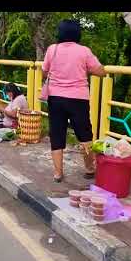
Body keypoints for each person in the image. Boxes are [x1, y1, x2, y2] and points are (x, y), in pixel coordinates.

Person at [43, 19, 106, 182]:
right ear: (78, 33)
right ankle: (89, 169)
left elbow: (45, 71)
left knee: (57, 134)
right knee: (84, 134)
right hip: (78, 99)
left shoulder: (52, 49)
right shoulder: (84, 51)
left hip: (55, 98)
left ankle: (58, 173)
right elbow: (100, 72)